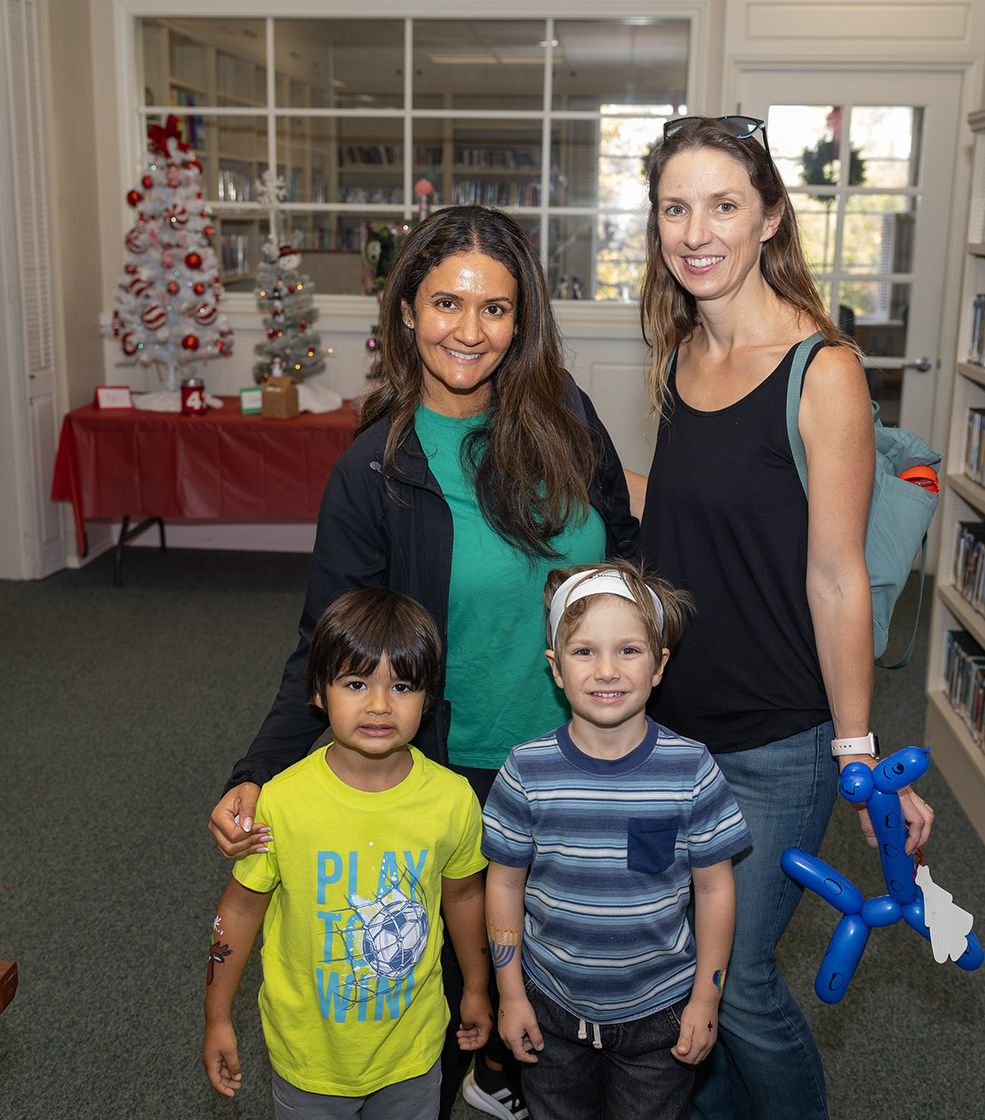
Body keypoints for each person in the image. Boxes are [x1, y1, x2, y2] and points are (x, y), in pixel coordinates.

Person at [208, 204, 641, 1120]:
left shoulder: (568, 418)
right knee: (452, 989)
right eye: (446, 303)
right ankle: (478, 1083)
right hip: (464, 774)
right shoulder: (377, 470)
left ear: (523, 320)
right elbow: (329, 643)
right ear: (406, 310)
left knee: (584, 978)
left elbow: (627, 559)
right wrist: (257, 771)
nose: (469, 331)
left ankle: (510, 1085)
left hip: (590, 758)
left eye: (495, 309)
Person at [633, 116, 937, 1120]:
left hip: (776, 737)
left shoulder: (823, 371)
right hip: (671, 731)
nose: (695, 231)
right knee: (684, 970)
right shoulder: (677, 355)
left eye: (722, 205)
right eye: (675, 207)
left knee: (738, 981)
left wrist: (858, 752)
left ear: (768, 216)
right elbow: (683, 526)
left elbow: (836, 576)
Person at [202, 588, 491, 1118]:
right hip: (307, 1056)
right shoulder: (282, 802)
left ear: (427, 697)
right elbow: (239, 910)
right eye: (356, 683)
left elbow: (466, 897)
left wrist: (476, 986)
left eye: (401, 686)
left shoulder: (453, 800)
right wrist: (217, 1015)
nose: (379, 704)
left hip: (413, 1053)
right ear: (318, 693)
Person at [483, 560, 749, 1120]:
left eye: (629, 650)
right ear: (556, 669)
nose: (607, 670)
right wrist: (509, 993)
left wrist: (708, 995)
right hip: (549, 1003)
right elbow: (503, 885)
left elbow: (716, 891)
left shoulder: (692, 769)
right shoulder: (525, 771)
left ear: (659, 665)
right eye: (584, 652)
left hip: (661, 1011)